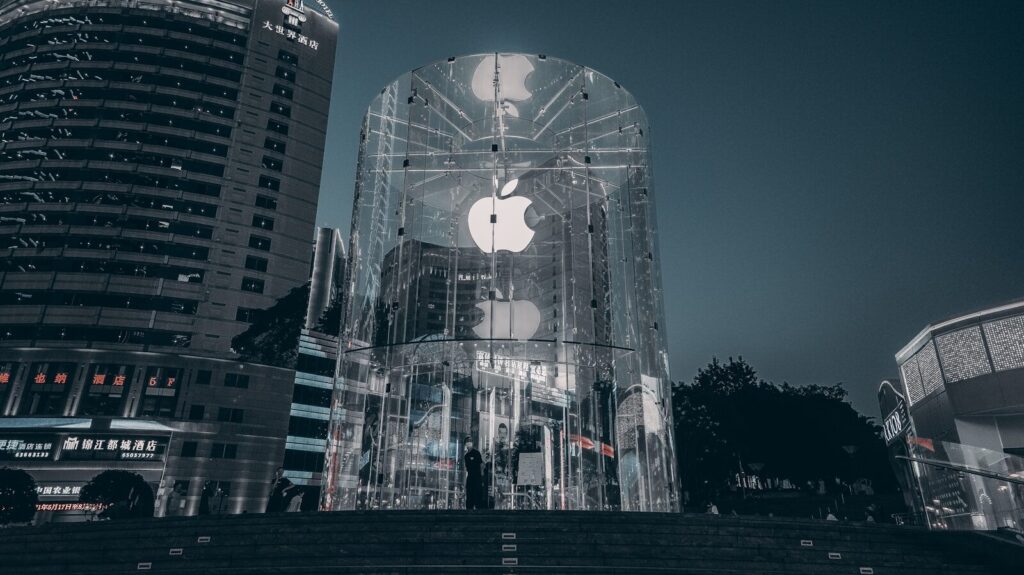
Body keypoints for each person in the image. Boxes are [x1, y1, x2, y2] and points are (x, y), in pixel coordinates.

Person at [463, 440, 485, 509]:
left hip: (476, 476)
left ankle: (477, 506)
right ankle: (470, 507)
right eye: (467, 442)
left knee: (477, 494)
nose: (468, 444)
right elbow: (467, 467)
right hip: (471, 476)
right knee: (470, 494)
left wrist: (481, 475)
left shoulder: (476, 453)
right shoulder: (466, 456)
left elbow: (481, 464)